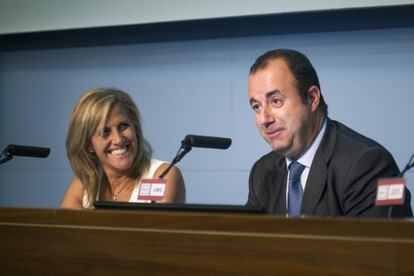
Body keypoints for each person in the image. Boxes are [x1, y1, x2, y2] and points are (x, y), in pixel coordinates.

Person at [246, 48, 412, 217]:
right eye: (256, 107)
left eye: (276, 101)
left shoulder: (368, 164)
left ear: (312, 98)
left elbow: (378, 242)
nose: (263, 119)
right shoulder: (262, 172)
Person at [61, 88, 185, 209]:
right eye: (105, 131)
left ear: (135, 128)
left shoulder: (163, 176)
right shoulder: (86, 183)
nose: (118, 140)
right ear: (88, 144)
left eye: (123, 126)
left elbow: (152, 229)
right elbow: (63, 228)